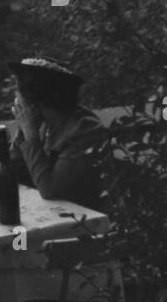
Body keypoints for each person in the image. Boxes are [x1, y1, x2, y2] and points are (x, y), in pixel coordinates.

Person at [8, 57, 107, 208]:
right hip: (49, 209)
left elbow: (50, 189)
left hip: (83, 218)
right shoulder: (38, 120)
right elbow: (14, 164)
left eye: (21, 95)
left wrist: (31, 136)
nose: (18, 102)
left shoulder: (84, 129)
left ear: (36, 100)